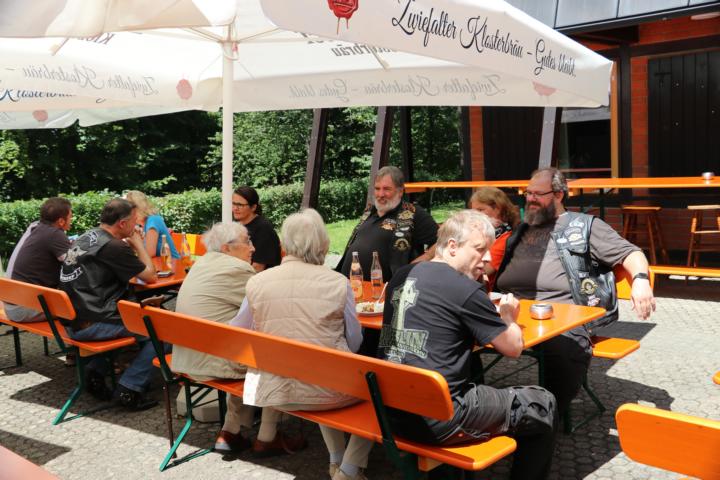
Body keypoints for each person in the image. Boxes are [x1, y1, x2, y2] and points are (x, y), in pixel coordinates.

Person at [377, 210, 557, 480]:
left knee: (471, 373)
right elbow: (513, 348)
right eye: (480, 249)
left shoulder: (402, 276)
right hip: (440, 419)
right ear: (452, 247)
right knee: (543, 403)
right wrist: (508, 317)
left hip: (392, 414)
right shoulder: (463, 288)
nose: (488, 258)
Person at [495, 167, 656, 417]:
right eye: (527, 193)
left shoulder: (584, 226)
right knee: (456, 327)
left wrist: (641, 280)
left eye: (538, 194)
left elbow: (631, 253)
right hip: (509, 307)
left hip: (560, 316)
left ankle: (545, 415)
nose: (530, 199)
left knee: (566, 347)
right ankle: (468, 403)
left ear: (559, 195)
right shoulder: (521, 229)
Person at [233, 209, 372, 480]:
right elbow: (354, 343)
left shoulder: (257, 282)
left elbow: (239, 333)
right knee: (375, 392)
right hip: (327, 390)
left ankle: (336, 460)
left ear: (284, 244)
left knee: (323, 373)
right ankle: (347, 469)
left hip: (272, 390)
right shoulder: (338, 282)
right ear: (322, 244)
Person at [59, 198, 159, 410]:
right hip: (94, 323)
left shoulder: (86, 237)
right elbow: (151, 277)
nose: (137, 225)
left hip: (74, 320)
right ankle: (130, 388)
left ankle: (95, 371)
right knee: (163, 330)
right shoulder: (113, 246)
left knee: (138, 317)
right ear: (122, 223)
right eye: (134, 221)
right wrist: (138, 244)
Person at [171, 221, 257, 452]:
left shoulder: (201, 263)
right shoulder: (237, 269)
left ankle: (233, 429)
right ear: (227, 248)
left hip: (185, 357)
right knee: (273, 357)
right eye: (247, 241)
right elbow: (265, 308)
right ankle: (267, 434)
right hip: (211, 361)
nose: (253, 248)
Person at [338, 166, 438, 283]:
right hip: (350, 285)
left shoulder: (413, 213)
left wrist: (423, 260)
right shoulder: (369, 212)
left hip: (387, 288)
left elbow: (443, 241)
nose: (380, 194)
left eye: (386, 189)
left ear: (400, 191)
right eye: (377, 188)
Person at [4, 197, 73, 323]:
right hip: (24, 310)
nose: (71, 220)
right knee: (84, 303)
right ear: (61, 221)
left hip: (13, 305)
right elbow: (76, 264)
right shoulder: (55, 234)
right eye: (70, 216)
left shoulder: (37, 228)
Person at [469, 187, 520, 290]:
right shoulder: (487, 234)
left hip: (485, 292)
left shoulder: (506, 237)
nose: (475, 215)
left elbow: (484, 270)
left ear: (497, 209)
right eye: (473, 211)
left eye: (480, 210)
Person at [232, 186, 281, 271]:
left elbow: (258, 267)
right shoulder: (237, 225)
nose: (235, 208)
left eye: (240, 205)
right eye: (233, 203)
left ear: (253, 207)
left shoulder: (263, 228)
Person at [124, 190, 179, 259]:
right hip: (160, 264)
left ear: (136, 208)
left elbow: (149, 253)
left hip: (173, 264)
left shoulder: (153, 221)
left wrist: (134, 242)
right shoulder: (144, 224)